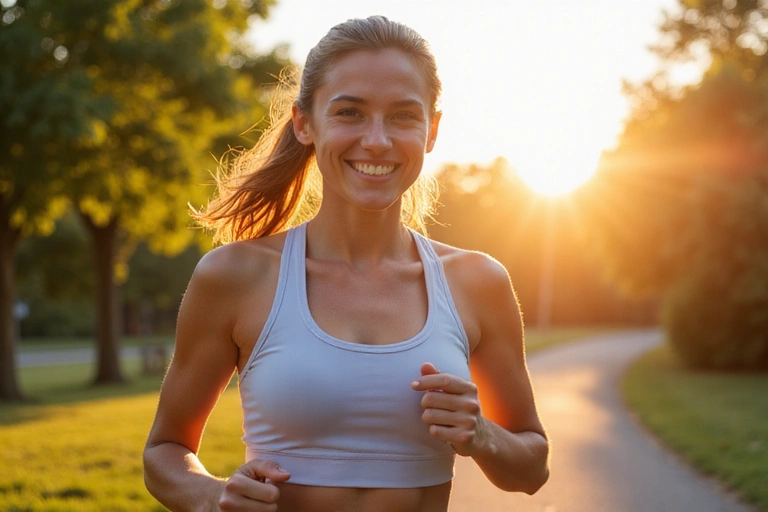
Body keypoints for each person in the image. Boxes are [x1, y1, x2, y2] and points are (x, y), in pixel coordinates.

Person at [143, 15, 549, 512]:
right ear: (304, 123)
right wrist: (211, 496)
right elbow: (164, 452)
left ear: (432, 130)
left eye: (403, 115)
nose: (377, 140)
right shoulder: (235, 277)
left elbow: (531, 469)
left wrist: (483, 435)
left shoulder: (478, 282)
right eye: (350, 112)